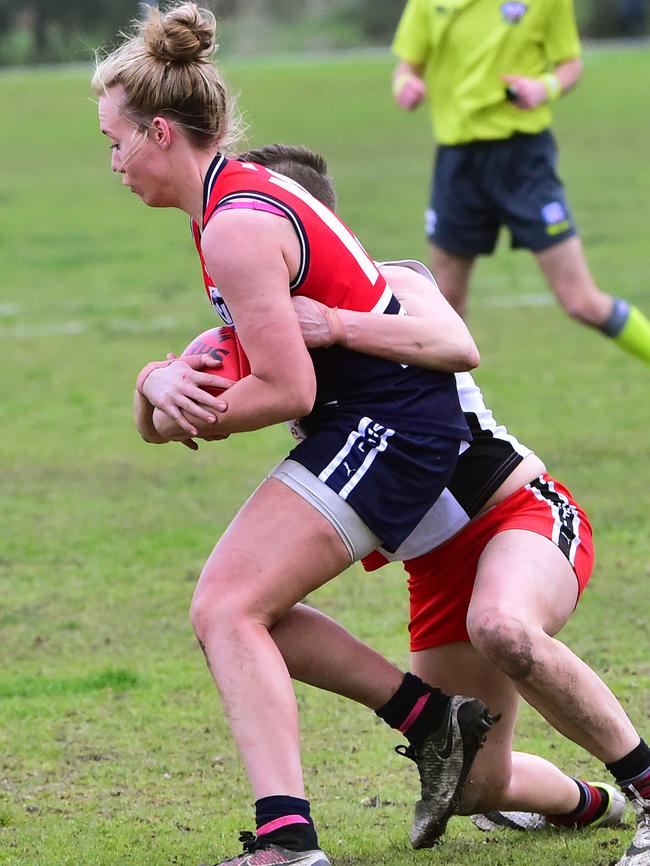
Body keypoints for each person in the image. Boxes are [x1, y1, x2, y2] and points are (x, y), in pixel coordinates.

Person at [92, 5, 499, 866]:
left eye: (116, 141)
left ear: (160, 132)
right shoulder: (225, 206)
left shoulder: (237, 224)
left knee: (226, 605)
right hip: (374, 419)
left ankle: (290, 842)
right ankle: (433, 723)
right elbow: (240, 380)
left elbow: (287, 389)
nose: (113, 162)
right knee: (242, 614)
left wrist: (190, 408)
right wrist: (153, 387)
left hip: (391, 422)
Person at [234, 144, 650, 866]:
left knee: (503, 626)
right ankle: (600, 802)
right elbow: (208, 388)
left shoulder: (397, 281)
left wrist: (335, 324)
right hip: (431, 570)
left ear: (306, 229)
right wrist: (159, 388)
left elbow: (455, 341)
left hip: (517, 516)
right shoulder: (270, 332)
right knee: (474, 788)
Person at [390, 0, 650, 368]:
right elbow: (407, 66)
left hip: (523, 160)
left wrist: (544, 87)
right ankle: (450, 419)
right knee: (445, 306)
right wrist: (406, 85)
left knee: (581, 300)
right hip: (458, 162)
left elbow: (570, 65)